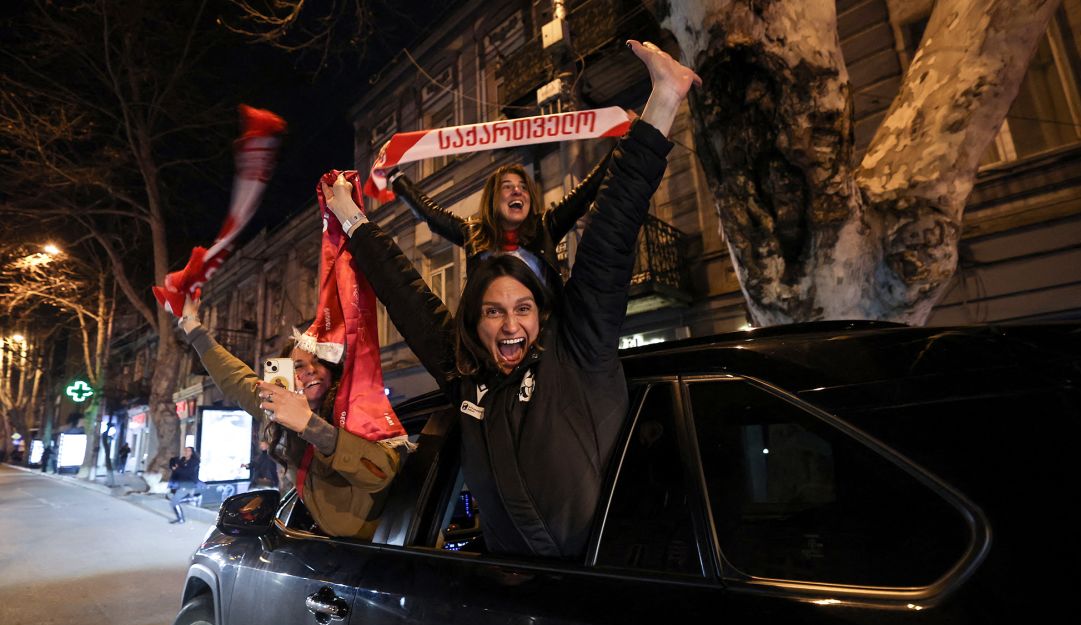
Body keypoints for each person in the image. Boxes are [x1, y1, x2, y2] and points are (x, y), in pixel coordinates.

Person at [325, 40, 699, 558]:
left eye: (522, 309)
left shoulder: (579, 350)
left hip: (602, 591)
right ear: (473, 324)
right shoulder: (462, 373)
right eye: (493, 312)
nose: (509, 326)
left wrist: (663, 99)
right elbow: (404, 292)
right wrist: (351, 217)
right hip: (507, 601)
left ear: (542, 314)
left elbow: (611, 228)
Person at [174, 296, 403, 538]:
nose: (311, 370)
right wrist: (191, 324)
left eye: (319, 362)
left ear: (332, 368)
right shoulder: (278, 410)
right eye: (298, 366)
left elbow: (381, 474)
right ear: (286, 375)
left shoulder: (355, 410)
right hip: (322, 541)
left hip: (373, 547)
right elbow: (234, 377)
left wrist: (311, 425)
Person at [389, 145, 613, 287]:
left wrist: (630, 140)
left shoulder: (546, 226)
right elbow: (430, 213)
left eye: (523, 187)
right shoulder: (472, 233)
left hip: (543, 345)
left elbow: (587, 190)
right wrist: (395, 178)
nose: (518, 191)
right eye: (508, 187)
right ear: (493, 199)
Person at [168, 446, 200, 524]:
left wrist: (178, 469)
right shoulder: (182, 460)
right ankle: (193, 498)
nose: (186, 452)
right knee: (172, 499)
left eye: (188, 451)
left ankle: (181, 519)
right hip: (181, 483)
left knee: (174, 501)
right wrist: (175, 468)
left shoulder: (194, 462)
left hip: (188, 484)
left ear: (192, 453)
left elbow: (187, 473)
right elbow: (176, 469)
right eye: (185, 450)